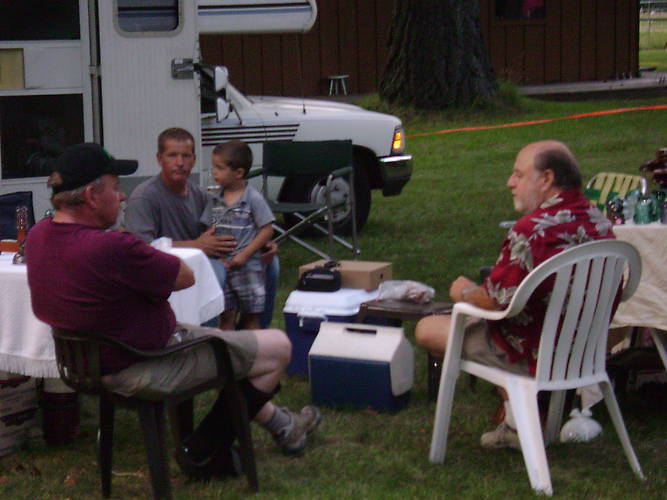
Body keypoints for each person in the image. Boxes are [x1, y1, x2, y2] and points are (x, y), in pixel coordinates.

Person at [26, 143, 320, 481]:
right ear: (92, 196)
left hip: (89, 366)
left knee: (230, 344)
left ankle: (284, 425)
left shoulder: (38, 235)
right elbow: (185, 276)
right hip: (146, 362)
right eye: (116, 187)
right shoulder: (112, 246)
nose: (122, 196)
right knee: (277, 348)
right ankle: (203, 451)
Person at [415, 140, 613, 449]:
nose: (510, 182)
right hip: (583, 351)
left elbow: (495, 302)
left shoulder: (532, 230)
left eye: (519, 175)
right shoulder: (598, 220)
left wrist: (463, 290)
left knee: (428, 328)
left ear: (546, 179)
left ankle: (520, 422)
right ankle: (515, 421)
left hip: (533, 352)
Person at [124, 127, 279, 328]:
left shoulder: (201, 195)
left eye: (186, 156)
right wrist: (196, 245)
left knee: (270, 264)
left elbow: (232, 225)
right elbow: (140, 248)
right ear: (159, 159)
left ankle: (253, 333)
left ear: (194, 160)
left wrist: (262, 244)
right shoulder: (144, 197)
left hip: (205, 258)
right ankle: (205, 336)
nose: (180, 162)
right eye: (172, 155)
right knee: (216, 271)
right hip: (165, 268)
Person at [204, 140, 274, 330]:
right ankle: (229, 349)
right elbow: (209, 227)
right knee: (226, 315)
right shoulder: (214, 199)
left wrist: (245, 255)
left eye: (219, 168)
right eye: (214, 167)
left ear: (239, 173)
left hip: (248, 267)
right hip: (223, 267)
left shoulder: (253, 198)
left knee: (251, 316)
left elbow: (267, 229)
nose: (214, 172)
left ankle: (253, 348)